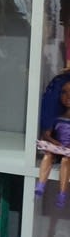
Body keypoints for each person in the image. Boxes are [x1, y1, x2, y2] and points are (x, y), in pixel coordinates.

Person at [36, 73, 70, 208]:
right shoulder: (57, 117)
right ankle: (40, 185)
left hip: (68, 152)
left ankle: (62, 194)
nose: (68, 96)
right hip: (59, 147)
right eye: (64, 92)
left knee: (66, 160)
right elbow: (46, 134)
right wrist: (53, 141)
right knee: (48, 155)